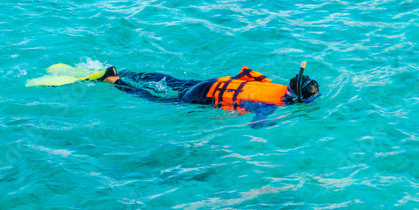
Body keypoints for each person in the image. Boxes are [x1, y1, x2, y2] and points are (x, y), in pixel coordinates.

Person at [96, 63, 319, 128]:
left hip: (211, 84)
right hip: (203, 97)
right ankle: (113, 79)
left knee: (170, 81)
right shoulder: (273, 105)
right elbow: (256, 124)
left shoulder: (274, 86)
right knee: (157, 99)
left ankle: (127, 72)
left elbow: (247, 76)